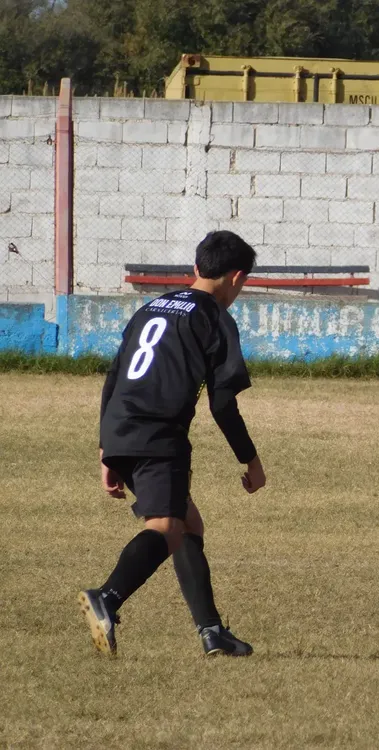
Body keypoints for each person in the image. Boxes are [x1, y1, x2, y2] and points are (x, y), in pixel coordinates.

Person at [79, 230, 266, 657]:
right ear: (238, 278)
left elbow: (114, 377)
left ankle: (212, 632)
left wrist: (105, 449)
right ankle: (107, 598)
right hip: (159, 433)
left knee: (188, 526)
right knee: (165, 528)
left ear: (197, 268)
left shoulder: (149, 309)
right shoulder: (215, 318)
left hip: (121, 427)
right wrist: (251, 462)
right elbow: (223, 404)